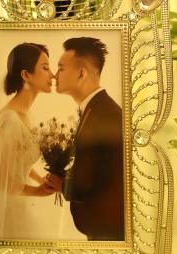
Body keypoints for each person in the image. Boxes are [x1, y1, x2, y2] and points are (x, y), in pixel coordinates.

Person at [48, 37, 124, 241]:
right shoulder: (95, 109)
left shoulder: (107, 115)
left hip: (109, 233)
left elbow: (101, 180)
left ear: (81, 73)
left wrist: (63, 185)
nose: (55, 75)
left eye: (61, 68)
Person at [0, 42, 56, 239]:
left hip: (20, 204)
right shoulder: (10, 120)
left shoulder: (24, 114)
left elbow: (15, 160)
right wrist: (37, 191)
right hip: (8, 211)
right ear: (26, 75)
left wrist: (40, 179)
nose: (52, 75)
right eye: (45, 68)